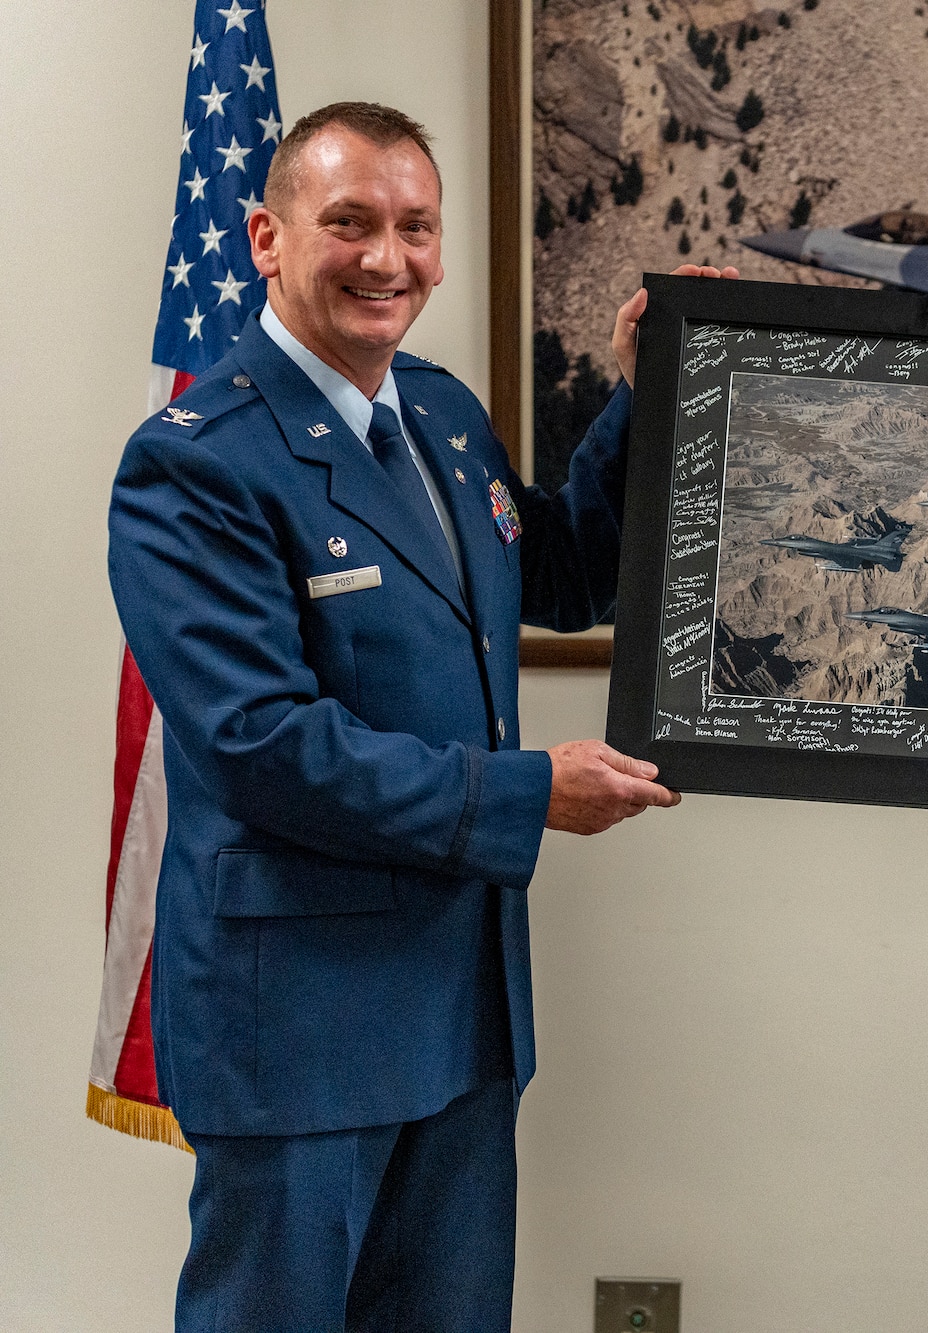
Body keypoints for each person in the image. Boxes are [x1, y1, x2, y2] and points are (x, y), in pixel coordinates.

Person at [106, 101, 734, 1329]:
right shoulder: (195, 462)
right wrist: (527, 794)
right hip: (299, 1017)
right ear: (266, 237)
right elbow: (259, 745)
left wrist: (638, 391)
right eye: (347, 223)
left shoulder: (439, 416)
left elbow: (560, 569)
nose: (385, 258)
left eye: (414, 227)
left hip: (459, 1003)